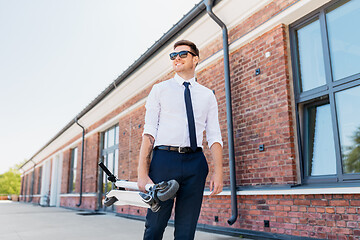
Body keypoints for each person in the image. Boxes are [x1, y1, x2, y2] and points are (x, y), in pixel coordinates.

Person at [137, 39, 223, 240]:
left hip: (196, 164)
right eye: (173, 55)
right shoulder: (159, 90)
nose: (177, 58)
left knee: (186, 231)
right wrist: (142, 173)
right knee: (155, 227)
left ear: (195, 60)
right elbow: (149, 132)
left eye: (182, 54)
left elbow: (214, 136)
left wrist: (219, 172)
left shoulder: (207, 96)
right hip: (164, 161)